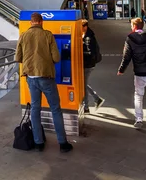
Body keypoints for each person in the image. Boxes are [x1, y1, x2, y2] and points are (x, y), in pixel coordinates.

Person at [15, 12, 73, 153]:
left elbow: (18, 57)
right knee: (55, 109)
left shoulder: (23, 35)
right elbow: (57, 58)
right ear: (41, 22)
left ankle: (38, 142)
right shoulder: (47, 35)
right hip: (46, 78)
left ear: (31, 22)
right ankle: (63, 143)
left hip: (31, 78)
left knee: (35, 109)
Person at [82, 20, 104, 113]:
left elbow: (89, 52)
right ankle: (96, 99)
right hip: (88, 63)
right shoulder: (88, 35)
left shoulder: (88, 37)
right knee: (83, 84)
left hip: (88, 64)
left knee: (83, 85)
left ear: (85, 26)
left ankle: (86, 107)